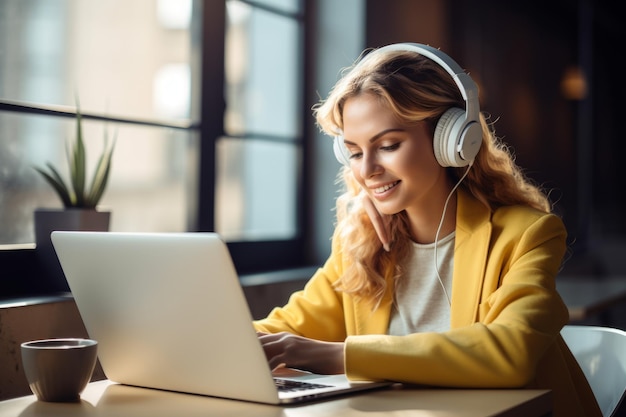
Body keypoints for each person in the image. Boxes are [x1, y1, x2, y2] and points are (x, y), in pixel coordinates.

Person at [254, 43, 601, 417]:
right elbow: (279, 332)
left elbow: (510, 352)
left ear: (450, 141)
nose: (366, 170)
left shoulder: (527, 234)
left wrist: (336, 355)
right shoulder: (360, 241)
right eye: (354, 152)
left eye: (387, 145)